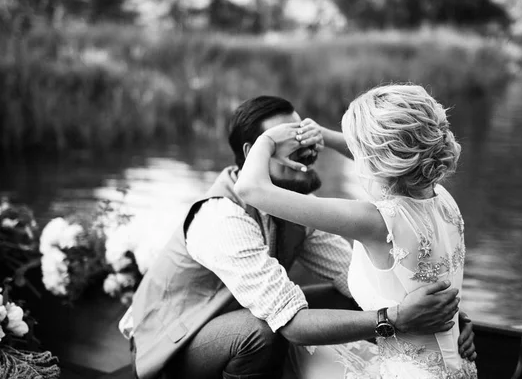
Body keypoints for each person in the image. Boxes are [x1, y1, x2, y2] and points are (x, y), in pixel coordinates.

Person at [122, 95, 476, 379]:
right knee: (260, 331)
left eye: (307, 137)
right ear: (253, 154)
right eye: (292, 142)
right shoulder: (220, 217)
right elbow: (289, 323)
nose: (310, 151)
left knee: (346, 299)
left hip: (249, 315)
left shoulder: (311, 210)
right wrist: (394, 318)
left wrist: (449, 316)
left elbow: (347, 276)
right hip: (178, 345)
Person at [235, 86, 478, 378]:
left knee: (297, 350)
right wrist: (317, 133)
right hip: (461, 368)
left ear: (374, 158)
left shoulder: (375, 220)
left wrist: (268, 140)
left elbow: (249, 188)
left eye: (358, 150)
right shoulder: (443, 201)